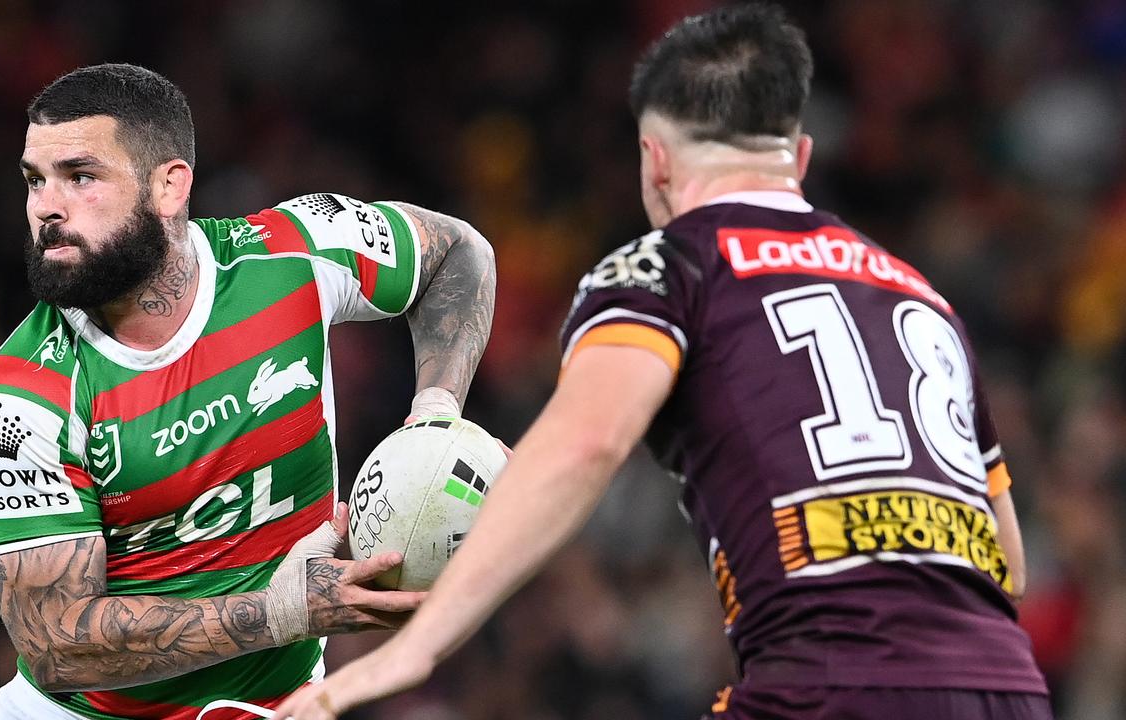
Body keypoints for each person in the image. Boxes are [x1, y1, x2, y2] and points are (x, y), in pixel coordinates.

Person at [271, 5, 1053, 719]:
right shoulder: (921, 297)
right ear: (799, 156)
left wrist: (408, 653)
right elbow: (1007, 565)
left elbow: (585, 445)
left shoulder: (662, 270)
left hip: (827, 684)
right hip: (1008, 690)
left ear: (654, 160)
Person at [0, 63, 496, 719]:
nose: (46, 205)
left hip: (285, 706)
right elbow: (54, 645)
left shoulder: (296, 251)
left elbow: (458, 254)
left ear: (167, 185)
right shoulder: (18, 401)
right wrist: (278, 613)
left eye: (80, 177)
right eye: (35, 180)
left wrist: (434, 414)